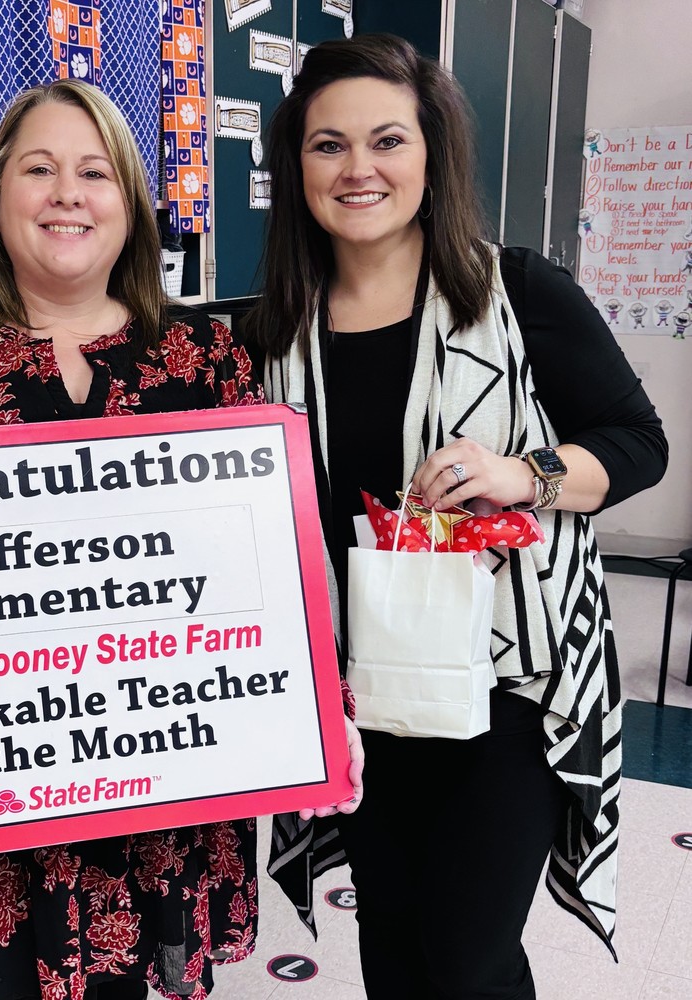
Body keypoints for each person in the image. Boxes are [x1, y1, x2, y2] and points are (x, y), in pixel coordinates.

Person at [0, 79, 363, 1000]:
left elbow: (271, 580)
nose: (66, 193)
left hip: (161, 794)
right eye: (38, 168)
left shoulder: (209, 365)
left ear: (130, 204)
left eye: (94, 172)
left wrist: (323, 715)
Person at [245, 34, 667, 1000]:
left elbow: (639, 443)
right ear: (295, 166)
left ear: (432, 154)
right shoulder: (270, 335)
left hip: (508, 685)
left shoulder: (517, 293)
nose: (360, 169)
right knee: (391, 944)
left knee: (466, 957)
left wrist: (524, 472)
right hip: (356, 696)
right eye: (328, 146)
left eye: (387, 140)